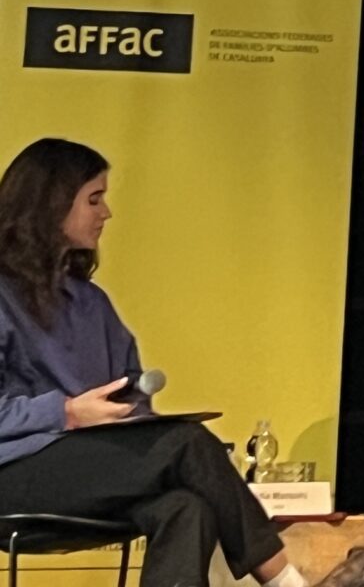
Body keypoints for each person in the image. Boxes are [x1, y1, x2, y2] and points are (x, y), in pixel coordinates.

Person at [0, 138, 312, 587]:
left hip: (90, 471)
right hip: (15, 474)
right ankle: (284, 580)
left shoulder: (92, 303)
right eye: (94, 199)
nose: (106, 213)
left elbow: (127, 390)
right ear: (51, 204)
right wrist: (66, 413)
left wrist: (131, 415)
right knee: (187, 443)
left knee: (190, 508)